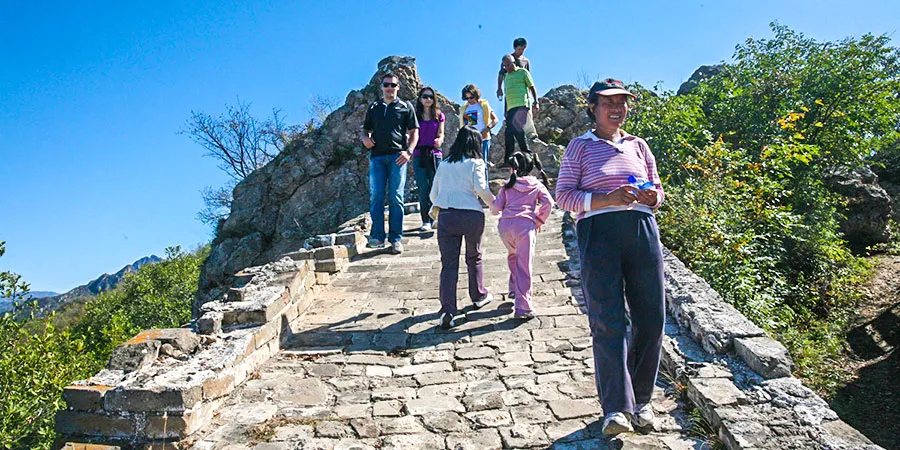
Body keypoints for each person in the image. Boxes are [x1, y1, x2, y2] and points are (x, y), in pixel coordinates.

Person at [554, 79, 665, 436]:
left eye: (622, 102)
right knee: (608, 321)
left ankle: (642, 401)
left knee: (651, 317)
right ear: (592, 107)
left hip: (642, 232)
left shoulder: (639, 145)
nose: (617, 108)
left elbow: (658, 189)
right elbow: (564, 197)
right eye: (608, 102)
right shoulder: (579, 147)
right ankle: (616, 409)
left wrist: (652, 199)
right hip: (598, 235)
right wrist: (607, 199)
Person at [429, 126, 495, 329]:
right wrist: (495, 204)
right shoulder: (476, 162)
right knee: (474, 257)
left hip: (447, 216)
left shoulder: (445, 164)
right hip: (471, 215)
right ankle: (478, 296)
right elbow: (482, 189)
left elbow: (433, 195)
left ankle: (448, 309)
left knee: (448, 265)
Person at [360, 72, 419, 254]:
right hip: (377, 157)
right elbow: (365, 130)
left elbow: (414, 131)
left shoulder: (405, 106)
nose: (390, 88)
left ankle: (396, 238)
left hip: (398, 157)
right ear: (382, 87)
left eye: (393, 85)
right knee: (376, 196)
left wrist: (409, 152)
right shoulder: (374, 107)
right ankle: (377, 236)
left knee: (396, 197)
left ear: (398, 87)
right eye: (386, 85)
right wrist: (365, 139)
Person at [490, 151, 554, 320]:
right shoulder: (536, 185)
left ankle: (513, 288)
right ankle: (523, 306)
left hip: (505, 227)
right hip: (525, 227)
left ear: (513, 169)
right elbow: (549, 203)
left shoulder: (506, 186)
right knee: (524, 265)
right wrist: (538, 220)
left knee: (513, 256)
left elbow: (495, 209)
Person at [413, 86, 445, 232]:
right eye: (425, 96)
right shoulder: (414, 115)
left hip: (434, 154)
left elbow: (441, 134)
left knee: (436, 186)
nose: (428, 99)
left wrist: (439, 140)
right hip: (419, 154)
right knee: (423, 188)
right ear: (420, 98)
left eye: (431, 97)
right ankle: (425, 220)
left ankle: (436, 218)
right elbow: (410, 133)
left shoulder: (439, 115)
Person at [501, 55, 539, 165]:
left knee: (517, 127)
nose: (508, 67)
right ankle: (508, 159)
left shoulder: (523, 72)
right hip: (511, 107)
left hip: (522, 104)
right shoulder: (506, 77)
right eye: (505, 66)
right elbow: (507, 94)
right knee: (508, 132)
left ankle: (527, 153)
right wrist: (506, 110)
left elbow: (531, 87)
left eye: (509, 64)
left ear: (514, 62)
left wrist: (536, 101)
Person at [459, 84, 499, 172]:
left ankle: (484, 185)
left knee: (481, 164)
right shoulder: (464, 109)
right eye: (467, 98)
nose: (469, 100)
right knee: (469, 165)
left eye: (471, 97)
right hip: (468, 142)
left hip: (483, 139)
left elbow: (495, 120)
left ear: (476, 95)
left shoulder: (483, 105)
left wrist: (487, 128)